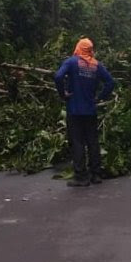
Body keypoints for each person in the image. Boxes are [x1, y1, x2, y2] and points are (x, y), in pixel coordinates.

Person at [54, 38, 115, 187]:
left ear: (78, 48)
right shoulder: (96, 65)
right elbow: (110, 82)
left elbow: (58, 76)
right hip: (90, 110)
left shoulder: (71, 62)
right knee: (93, 142)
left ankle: (81, 177)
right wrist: (99, 97)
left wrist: (63, 94)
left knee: (77, 142)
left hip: (74, 110)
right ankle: (96, 175)